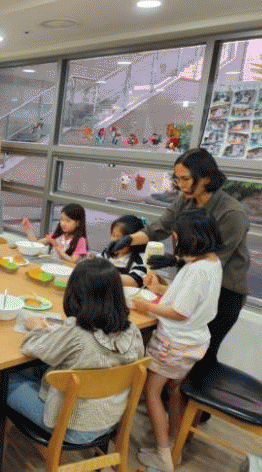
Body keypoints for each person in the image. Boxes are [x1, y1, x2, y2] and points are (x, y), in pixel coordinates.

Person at [106, 148, 249, 381]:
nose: (181, 185)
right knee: (175, 358)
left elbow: (211, 257)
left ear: (206, 178)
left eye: (186, 179)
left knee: (199, 359)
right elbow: (158, 228)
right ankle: (171, 395)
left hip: (224, 292)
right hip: (193, 280)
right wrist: (128, 240)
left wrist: (173, 260)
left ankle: (188, 403)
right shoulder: (186, 198)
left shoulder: (231, 213)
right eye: (177, 179)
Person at [7, 257, 144, 444]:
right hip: (110, 420)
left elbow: (29, 347)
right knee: (43, 371)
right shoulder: (133, 332)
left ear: (76, 294)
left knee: (6, 380)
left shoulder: (77, 332)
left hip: (70, 426)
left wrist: (39, 327)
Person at [130, 210, 223, 472]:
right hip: (193, 342)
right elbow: (188, 300)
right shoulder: (212, 262)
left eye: (177, 238)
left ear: (193, 239)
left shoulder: (197, 271)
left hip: (174, 343)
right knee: (174, 391)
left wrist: (146, 307)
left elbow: (180, 312)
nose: (176, 243)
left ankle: (163, 457)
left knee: (151, 393)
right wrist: (159, 289)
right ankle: (174, 447)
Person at [21, 203, 88, 263]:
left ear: (78, 223)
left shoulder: (81, 241)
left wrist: (57, 247)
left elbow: (73, 261)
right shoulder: (58, 235)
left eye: (68, 221)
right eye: (62, 219)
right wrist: (28, 228)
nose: (63, 223)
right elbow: (35, 244)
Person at [100, 215, 146, 287]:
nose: (114, 241)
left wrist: (104, 277)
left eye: (119, 238)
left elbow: (134, 281)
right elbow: (97, 264)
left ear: (134, 240)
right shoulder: (108, 252)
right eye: (113, 235)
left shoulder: (140, 258)